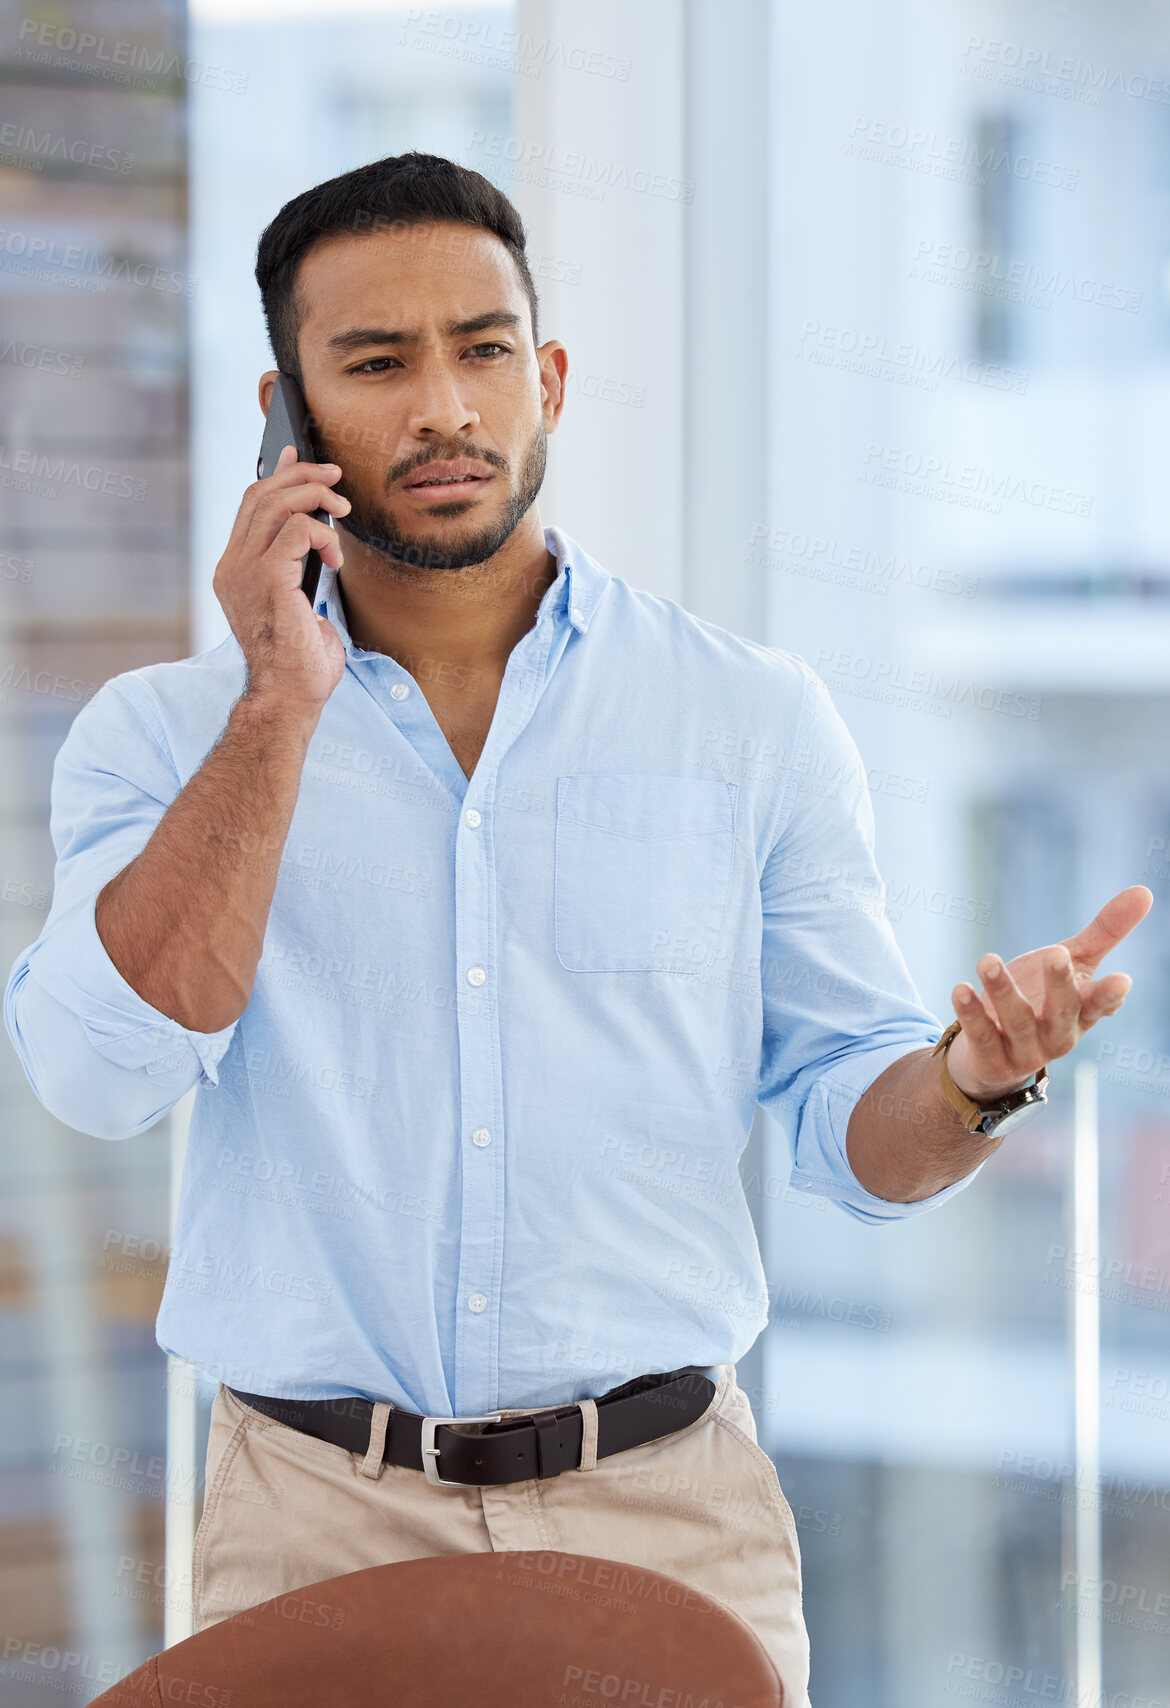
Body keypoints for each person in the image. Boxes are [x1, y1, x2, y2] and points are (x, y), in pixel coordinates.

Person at [4, 152, 1150, 1702]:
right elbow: (100, 1077)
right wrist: (281, 703)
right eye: (377, 362)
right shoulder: (168, 738)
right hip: (309, 1521)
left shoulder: (745, 714)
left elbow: (850, 1137)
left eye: (482, 350)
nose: (445, 409)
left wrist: (969, 1077)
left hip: (665, 1516)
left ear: (544, 376)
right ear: (287, 413)